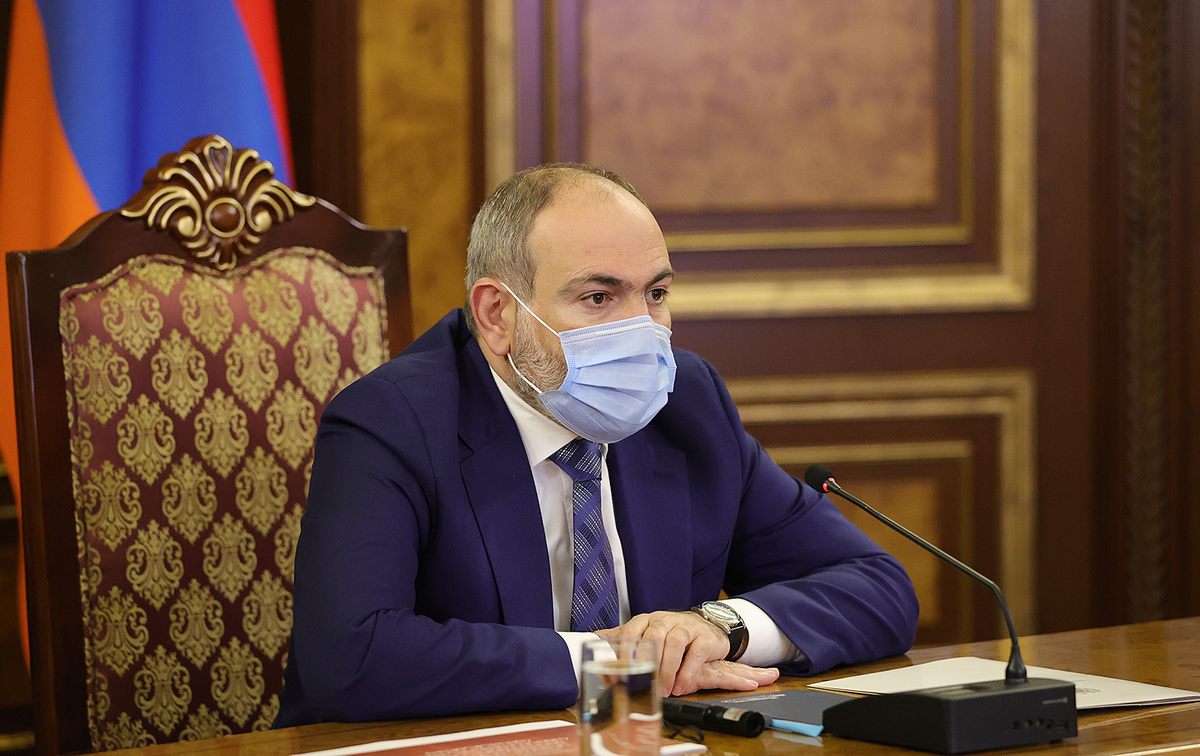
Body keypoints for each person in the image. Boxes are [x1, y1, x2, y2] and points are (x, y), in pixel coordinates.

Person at [275, 163, 919, 726]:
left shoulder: (686, 404)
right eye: (599, 297)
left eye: (656, 294)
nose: (641, 330)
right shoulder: (392, 421)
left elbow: (878, 588)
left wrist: (718, 628)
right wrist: (615, 661)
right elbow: (352, 656)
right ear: (497, 315)